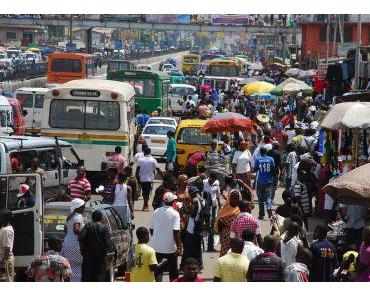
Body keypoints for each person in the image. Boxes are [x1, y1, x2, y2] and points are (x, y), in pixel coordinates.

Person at [149, 192, 181, 282]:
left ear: (164, 201)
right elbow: (176, 232)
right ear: (173, 201)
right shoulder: (175, 214)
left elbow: (151, 229)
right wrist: (179, 246)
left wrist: (157, 238)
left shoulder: (156, 211)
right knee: (173, 271)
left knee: (158, 270)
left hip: (156, 247)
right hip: (170, 248)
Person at [79, 210, 115, 282]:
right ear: (101, 218)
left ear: (92, 217)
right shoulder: (104, 228)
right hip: (100, 258)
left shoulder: (87, 226)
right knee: (99, 277)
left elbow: (81, 238)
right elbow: (108, 244)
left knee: (86, 277)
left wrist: (82, 250)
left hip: (88, 257)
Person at [180, 186, 206, 269]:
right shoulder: (203, 200)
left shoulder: (195, 200)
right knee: (197, 247)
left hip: (192, 227)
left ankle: (183, 266)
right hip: (199, 226)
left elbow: (192, 213)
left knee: (187, 248)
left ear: (192, 193)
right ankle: (199, 265)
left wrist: (184, 208)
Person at [61, 198, 85, 282]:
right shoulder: (78, 216)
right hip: (75, 244)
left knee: (69, 266)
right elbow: (76, 229)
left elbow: (65, 230)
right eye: (83, 206)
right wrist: (84, 235)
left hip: (67, 243)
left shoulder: (70, 216)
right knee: (78, 267)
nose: (84, 208)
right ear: (78, 207)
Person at [214, 189, 241, 256]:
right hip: (226, 237)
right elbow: (218, 226)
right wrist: (220, 222)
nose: (235, 199)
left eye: (237, 197)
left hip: (238, 238)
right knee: (224, 255)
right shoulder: (224, 208)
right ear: (229, 198)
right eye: (233, 197)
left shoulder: (241, 208)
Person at [136, 147, 163, 211]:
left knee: (144, 192)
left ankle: (145, 205)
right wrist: (163, 176)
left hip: (142, 179)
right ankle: (146, 205)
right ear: (150, 152)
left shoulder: (140, 160)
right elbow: (158, 169)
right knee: (147, 193)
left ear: (144, 152)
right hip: (149, 179)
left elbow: (137, 170)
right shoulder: (153, 160)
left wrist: (137, 178)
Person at [253, 147, 275, 219]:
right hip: (268, 181)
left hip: (260, 181)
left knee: (260, 198)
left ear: (260, 152)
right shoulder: (271, 159)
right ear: (266, 152)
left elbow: (255, 169)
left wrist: (251, 172)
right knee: (268, 196)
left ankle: (261, 215)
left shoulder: (258, 159)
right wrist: (273, 178)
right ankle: (269, 207)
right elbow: (273, 170)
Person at [203, 172, 220, 251]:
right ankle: (203, 246)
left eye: (214, 180)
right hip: (205, 207)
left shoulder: (217, 183)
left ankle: (210, 246)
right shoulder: (204, 182)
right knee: (205, 225)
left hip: (213, 207)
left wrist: (219, 203)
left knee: (212, 226)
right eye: (211, 180)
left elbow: (217, 193)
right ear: (209, 177)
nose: (213, 181)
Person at [0, 210, 14, 282]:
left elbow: (7, 248)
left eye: (1, 216)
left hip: (6, 261)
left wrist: (2, 263)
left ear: (5, 218)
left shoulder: (6, 230)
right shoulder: (5, 227)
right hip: (6, 260)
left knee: (7, 281)